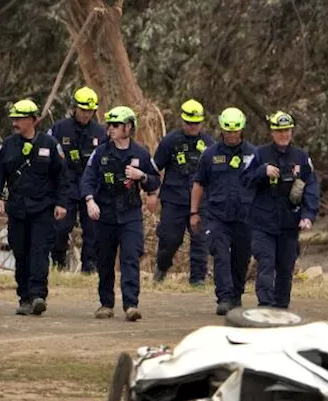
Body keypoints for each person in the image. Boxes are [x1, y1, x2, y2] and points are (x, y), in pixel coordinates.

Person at [0, 99, 73, 316]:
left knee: (39, 251)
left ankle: (38, 295)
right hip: (17, 209)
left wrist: (62, 203)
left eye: (19, 118)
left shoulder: (50, 144)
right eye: (13, 118)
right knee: (21, 252)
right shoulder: (7, 145)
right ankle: (24, 297)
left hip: (43, 209)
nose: (15, 122)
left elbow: (62, 177)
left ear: (33, 120)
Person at [79, 105, 160, 322]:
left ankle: (131, 304)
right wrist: (89, 201)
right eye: (109, 125)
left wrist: (141, 176)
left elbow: (154, 181)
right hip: (104, 214)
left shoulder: (140, 153)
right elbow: (86, 179)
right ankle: (106, 303)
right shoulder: (101, 152)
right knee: (104, 260)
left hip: (130, 213)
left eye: (116, 125)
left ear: (128, 127)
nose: (111, 129)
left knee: (130, 258)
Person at [241, 110, 319, 310]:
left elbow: (310, 186)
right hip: (263, 221)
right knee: (266, 263)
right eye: (279, 131)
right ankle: (265, 305)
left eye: (287, 131)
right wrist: (262, 172)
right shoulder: (259, 154)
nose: (284, 135)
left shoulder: (301, 157)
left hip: (289, 222)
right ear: (272, 133)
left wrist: (308, 216)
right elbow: (244, 179)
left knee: (285, 267)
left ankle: (281, 306)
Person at [191, 107, 256, 315]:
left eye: (236, 131)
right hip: (217, 216)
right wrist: (194, 212)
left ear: (242, 129)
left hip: (245, 216)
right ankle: (225, 297)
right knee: (220, 255)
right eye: (228, 131)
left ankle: (236, 294)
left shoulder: (254, 154)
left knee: (241, 258)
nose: (232, 135)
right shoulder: (209, 154)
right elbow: (199, 184)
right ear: (222, 130)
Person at [152, 99, 215, 284]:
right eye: (189, 123)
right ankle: (161, 269)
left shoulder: (209, 144)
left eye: (196, 123)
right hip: (174, 199)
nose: (193, 126)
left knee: (199, 240)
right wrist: (152, 193)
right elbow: (155, 168)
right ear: (182, 121)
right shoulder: (170, 141)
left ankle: (197, 280)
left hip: (200, 201)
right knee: (169, 239)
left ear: (202, 122)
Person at [48, 86, 107, 273]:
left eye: (90, 111)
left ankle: (89, 268)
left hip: (90, 188)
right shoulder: (59, 129)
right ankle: (58, 264)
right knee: (60, 229)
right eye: (83, 110)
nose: (86, 114)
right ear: (74, 108)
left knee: (93, 231)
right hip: (65, 188)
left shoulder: (100, 132)